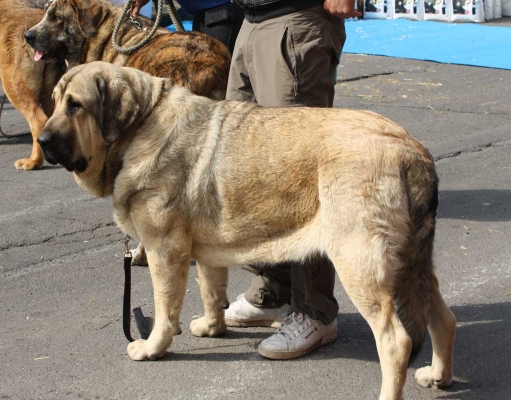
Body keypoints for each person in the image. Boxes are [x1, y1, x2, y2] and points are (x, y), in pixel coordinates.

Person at [132, 0, 361, 360]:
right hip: (252, 20)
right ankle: (276, 291)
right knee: (249, 170)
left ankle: (315, 312)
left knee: (295, 171)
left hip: (294, 19)